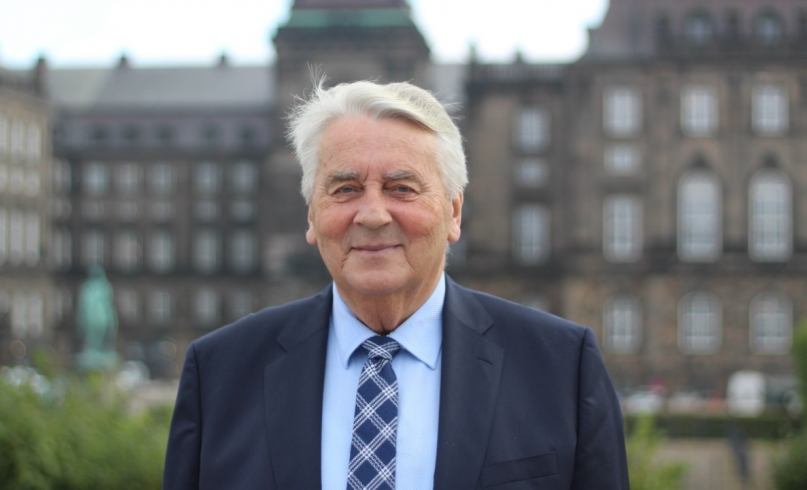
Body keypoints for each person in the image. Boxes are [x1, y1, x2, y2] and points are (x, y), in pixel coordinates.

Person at [163, 80, 629, 490]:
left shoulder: (561, 367)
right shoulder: (220, 372)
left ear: (454, 212)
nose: (371, 215)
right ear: (312, 215)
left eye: (401, 188)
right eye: (345, 189)